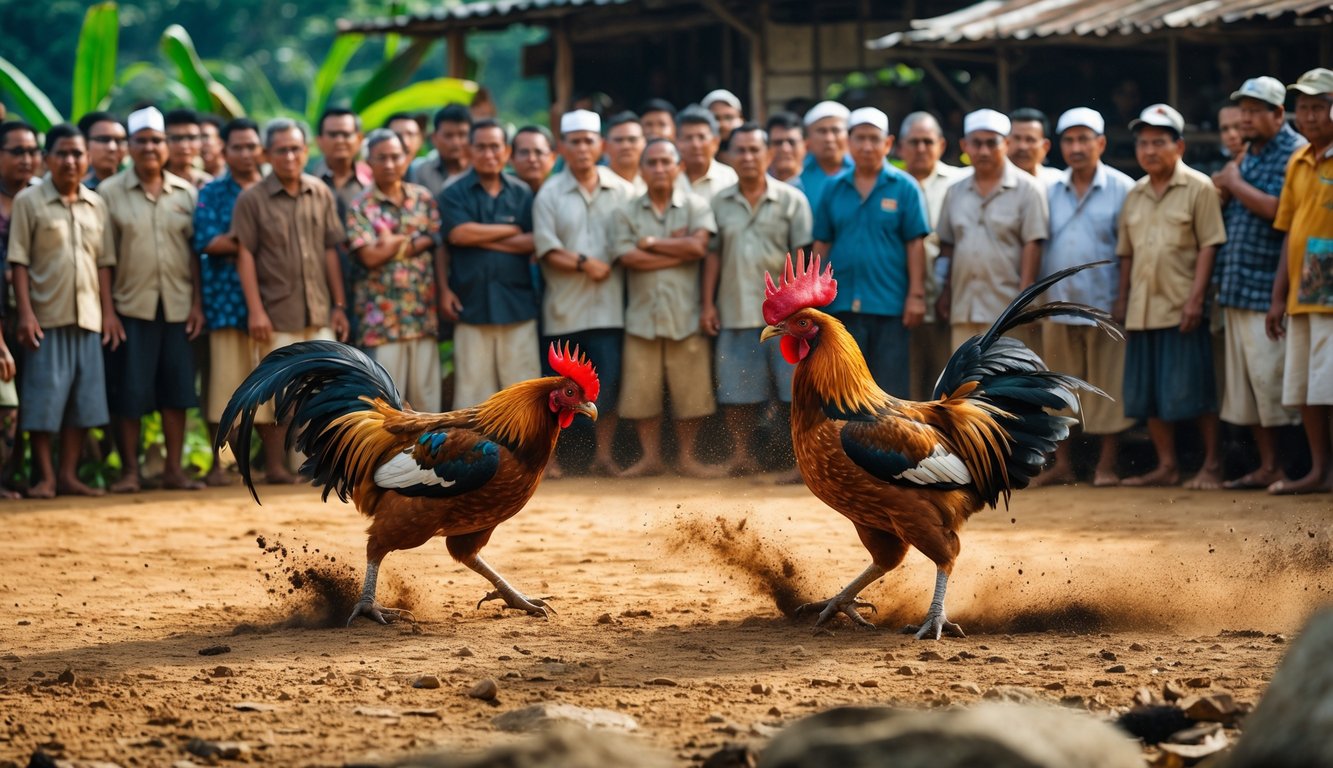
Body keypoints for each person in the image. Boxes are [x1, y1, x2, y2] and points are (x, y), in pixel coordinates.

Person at [1114, 104, 1227, 490]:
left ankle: (1211, 465)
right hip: (1142, 308)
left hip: (1182, 305)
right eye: (1143, 143)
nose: (1149, 150)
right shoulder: (1135, 193)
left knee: (1195, 390)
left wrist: (1197, 300)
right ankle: (1167, 466)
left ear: (1178, 145)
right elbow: (1126, 253)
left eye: (1159, 142)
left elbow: (1210, 246)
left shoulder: (1199, 187)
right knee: (1150, 394)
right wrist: (1121, 298)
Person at [233, 118, 350, 483]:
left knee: (322, 391)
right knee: (275, 397)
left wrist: (339, 305)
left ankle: (317, 465)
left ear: (306, 151)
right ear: (267, 155)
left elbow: (331, 250)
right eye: (281, 150)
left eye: (296, 149)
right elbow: (245, 254)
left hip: (318, 311)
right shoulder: (252, 198)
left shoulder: (321, 192)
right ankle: (275, 467)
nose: (289, 156)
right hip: (275, 311)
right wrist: (255, 309)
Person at [98, 106, 206, 493]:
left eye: (157, 141)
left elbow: (195, 254)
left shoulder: (186, 193)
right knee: (131, 392)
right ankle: (131, 471)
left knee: (177, 392)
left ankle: (173, 470)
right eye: (141, 141)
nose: (150, 147)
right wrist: (107, 312)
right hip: (130, 307)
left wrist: (197, 305)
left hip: (178, 308)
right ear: (129, 146)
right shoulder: (109, 194)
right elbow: (104, 259)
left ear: (167, 146)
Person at [1032, 108, 1135, 488]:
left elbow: (1127, 251)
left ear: (1101, 143)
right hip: (1058, 305)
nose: (1076, 148)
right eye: (1069, 140)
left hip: (1103, 306)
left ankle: (1107, 465)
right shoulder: (1049, 190)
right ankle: (1064, 465)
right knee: (1059, 390)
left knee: (1108, 387)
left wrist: (1122, 298)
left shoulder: (1123, 188)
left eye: (1084, 139)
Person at [702, 123, 812, 477]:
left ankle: (802, 462)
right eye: (741, 151)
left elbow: (803, 257)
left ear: (768, 155)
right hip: (734, 309)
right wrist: (708, 303)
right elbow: (713, 256)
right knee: (737, 393)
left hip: (785, 318)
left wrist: (801, 309)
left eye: (755, 150)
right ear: (729, 156)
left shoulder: (792, 200)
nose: (748, 157)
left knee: (794, 393)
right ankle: (742, 456)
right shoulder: (718, 201)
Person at [8, 124, 112, 498]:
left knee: (84, 402)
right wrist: (25, 313)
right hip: (46, 317)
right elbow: (18, 260)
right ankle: (46, 478)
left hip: (88, 316)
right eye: (62, 153)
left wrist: (109, 314)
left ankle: (68, 475)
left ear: (86, 159)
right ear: (47, 158)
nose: (70, 161)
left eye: (77, 154)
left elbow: (104, 263)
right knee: (43, 400)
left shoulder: (96, 203)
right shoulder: (29, 202)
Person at [1212, 77, 1306, 491]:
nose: (1245, 119)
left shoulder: (1294, 152)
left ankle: (1290, 468)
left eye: (1254, 111)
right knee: (1251, 390)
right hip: (1237, 287)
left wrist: (1233, 183)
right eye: (1243, 110)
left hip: (1268, 286)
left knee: (1275, 386)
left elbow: (1277, 210)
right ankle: (1268, 467)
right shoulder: (1250, 151)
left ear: (1278, 114)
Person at [533, 109, 636, 475]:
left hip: (610, 308)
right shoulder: (549, 193)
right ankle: (553, 459)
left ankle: (604, 456)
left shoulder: (624, 190)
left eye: (588, 141)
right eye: (573, 142)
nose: (581, 148)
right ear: (562, 147)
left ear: (601, 145)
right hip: (564, 310)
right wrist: (583, 263)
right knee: (556, 393)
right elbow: (546, 247)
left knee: (605, 385)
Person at [612, 138, 720, 479]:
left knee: (691, 393)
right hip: (641, 318)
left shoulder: (696, 204)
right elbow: (626, 258)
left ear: (679, 167)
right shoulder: (626, 210)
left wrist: (651, 244)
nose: (659, 168)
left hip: (685, 315)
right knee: (642, 394)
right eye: (652, 162)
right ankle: (651, 458)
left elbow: (699, 247)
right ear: (642, 170)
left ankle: (687, 458)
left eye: (665, 162)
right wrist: (678, 250)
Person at [810, 107, 929, 397]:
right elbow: (822, 242)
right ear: (849, 142)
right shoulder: (833, 187)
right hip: (841, 306)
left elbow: (915, 244)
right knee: (845, 388)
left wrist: (916, 296)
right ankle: (846, 444)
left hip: (890, 305)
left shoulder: (905, 187)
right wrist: (813, 293)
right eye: (860, 138)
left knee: (889, 390)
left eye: (874, 139)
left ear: (888, 144)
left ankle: (890, 445)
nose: (866, 146)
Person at [438, 119, 540, 408]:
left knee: (523, 395)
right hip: (471, 304)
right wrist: (509, 230)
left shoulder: (522, 193)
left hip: (517, 305)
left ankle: (525, 454)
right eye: (480, 147)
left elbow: (532, 242)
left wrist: (476, 236)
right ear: (470, 151)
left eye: (495, 146)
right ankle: (476, 455)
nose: (488, 153)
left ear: (506, 151)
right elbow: (457, 234)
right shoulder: (453, 192)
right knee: (473, 396)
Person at [1267, 67, 1333, 494]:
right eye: (1303, 108)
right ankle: (1318, 470)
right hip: (1302, 291)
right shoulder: (1299, 159)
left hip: (1331, 293)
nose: (1308, 116)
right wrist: (1278, 297)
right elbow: (1289, 230)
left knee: (1331, 386)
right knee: (1308, 386)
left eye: (1317, 107)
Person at [346, 129, 443, 411]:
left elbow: (437, 241)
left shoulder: (423, 198)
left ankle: (428, 457)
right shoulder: (360, 205)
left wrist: (390, 243)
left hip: (422, 316)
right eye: (381, 158)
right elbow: (369, 257)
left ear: (406, 158)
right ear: (369, 162)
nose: (389, 164)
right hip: (381, 323)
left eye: (395, 157)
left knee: (427, 406)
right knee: (386, 407)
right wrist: (413, 240)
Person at [936, 109, 1048, 351]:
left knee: (1009, 385)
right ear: (965, 145)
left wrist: (1023, 301)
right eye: (976, 143)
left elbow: (1034, 243)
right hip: (964, 308)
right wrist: (944, 292)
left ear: (1006, 144)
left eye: (991, 143)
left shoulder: (1028, 189)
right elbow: (947, 245)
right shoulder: (954, 191)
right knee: (964, 386)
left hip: (1008, 312)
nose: (984, 151)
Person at [193, 117, 265, 487]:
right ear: (224, 150)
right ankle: (218, 466)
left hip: (271, 305)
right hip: (224, 302)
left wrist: (239, 240)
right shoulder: (212, 191)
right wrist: (257, 240)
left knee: (269, 390)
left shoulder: (272, 188)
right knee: (223, 388)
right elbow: (209, 242)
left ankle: (271, 466)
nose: (246, 153)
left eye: (252, 146)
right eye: (237, 146)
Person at [897, 110, 967, 401]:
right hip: (900, 305)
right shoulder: (892, 183)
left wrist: (947, 291)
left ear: (941, 144)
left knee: (946, 385)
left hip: (946, 304)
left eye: (928, 141)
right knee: (906, 385)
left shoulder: (960, 183)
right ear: (900, 147)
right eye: (913, 142)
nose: (921, 148)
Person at [0, 121, 39, 497]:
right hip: (3, 316)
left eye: (32, 151)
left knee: (27, 398)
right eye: (17, 151)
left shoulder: (43, 197)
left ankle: (15, 474)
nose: (27, 159)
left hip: (33, 316)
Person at [311, 107, 372, 208]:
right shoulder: (306, 181)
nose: (339, 140)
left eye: (346, 134)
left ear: (359, 139)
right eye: (333, 135)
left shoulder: (372, 179)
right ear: (319, 140)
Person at [799, 101, 853, 212]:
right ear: (808, 138)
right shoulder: (799, 173)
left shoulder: (862, 170)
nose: (829, 138)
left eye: (835, 130)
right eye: (821, 131)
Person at [675, 106, 738, 200]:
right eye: (688, 138)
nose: (695, 145)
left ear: (715, 142)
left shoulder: (729, 178)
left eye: (701, 137)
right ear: (677, 143)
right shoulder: (669, 178)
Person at [414, 105, 472, 198]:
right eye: (448, 135)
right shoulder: (422, 172)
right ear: (434, 138)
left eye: (462, 135)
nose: (456, 142)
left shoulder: (481, 170)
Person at [1008, 108, 1062, 186]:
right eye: (1017, 138)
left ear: (1045, 146)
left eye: (1030, 140)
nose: (1022, 146)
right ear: (1005, 142)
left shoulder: (1058, 184)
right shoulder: (990, 183)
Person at [77, 112, 126, 190]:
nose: (112, 147)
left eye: (118, 141)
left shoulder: (139, 186)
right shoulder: (74, 190)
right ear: (83, 143)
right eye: (103, 140)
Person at [163, 108, 213, 188]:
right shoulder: (154, 182)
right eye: (176, 138)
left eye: (191, 138)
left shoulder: (208, 184)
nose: (184, 145)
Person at [605, 111, 646, 192]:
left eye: (632, 139)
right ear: (605, 145)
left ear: (644, 143)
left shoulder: (653, 181)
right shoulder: (594, 181)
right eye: (618, 140)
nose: (625, 146)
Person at [765, 111, 806, 189]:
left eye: (791, 142)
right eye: (778, 143)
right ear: (767, 147)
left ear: (805, 146)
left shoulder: (819, 184)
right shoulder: (756, 184)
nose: (785, 149)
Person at [511, 125, 557, 193]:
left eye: (539, 152)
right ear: (511, 158)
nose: (532, 159)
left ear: (553, 158)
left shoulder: (562, 191)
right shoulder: (500, 193)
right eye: (524, 152)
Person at [386, 111, 426, 184]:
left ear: (421, 139)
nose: (405, 142)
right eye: (397, 135)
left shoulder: (429, 172)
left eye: (410, 134)